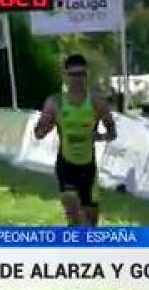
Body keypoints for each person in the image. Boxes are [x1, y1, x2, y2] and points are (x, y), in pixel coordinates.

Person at [33, 54, 117, 226]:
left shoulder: (97, 103)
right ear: (65, 76)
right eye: (73, 75)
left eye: (80, 74)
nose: (77, 79)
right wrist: (46, 126)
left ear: (86, 76)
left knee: (89, 224)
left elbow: (112, 133)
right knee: (72, 211)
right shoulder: (55, 102)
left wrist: (100, 136)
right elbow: (38, 133)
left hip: (88, 169)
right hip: (66, 165)